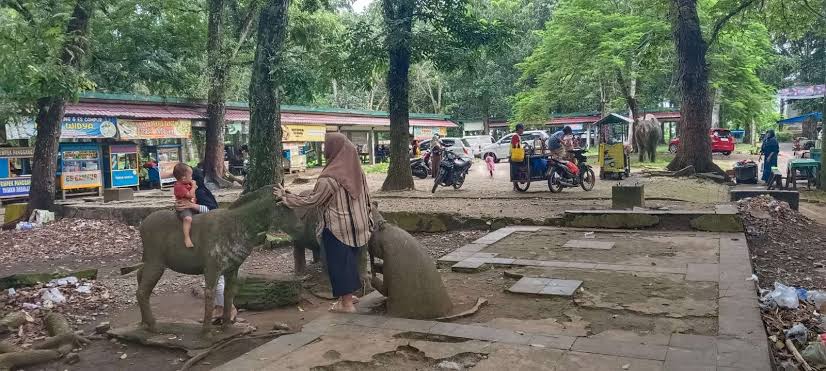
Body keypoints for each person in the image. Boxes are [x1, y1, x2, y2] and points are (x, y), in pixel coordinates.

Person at [274, 133, 372, 313]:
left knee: (338, 264)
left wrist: (287, 198)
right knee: (349, 261)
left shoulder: (329, 178)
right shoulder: (357, 171)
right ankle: (349, 296)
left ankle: (346, 304)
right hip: (359, 225)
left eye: (326, 146)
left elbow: (313, 201)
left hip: (338, 228)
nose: (325, 149)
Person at [172, 163, 198, 248]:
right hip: (184, 208)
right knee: (188, 219)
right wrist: (193, 187)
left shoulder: (186, 184)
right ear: (183, 178)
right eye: (190, 176)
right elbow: (190, 195)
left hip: (191, 206)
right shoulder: (179, 187)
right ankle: (187, 238)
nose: (191, 178)